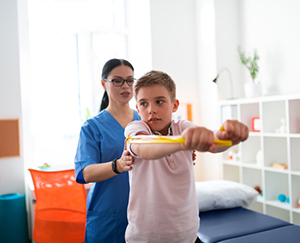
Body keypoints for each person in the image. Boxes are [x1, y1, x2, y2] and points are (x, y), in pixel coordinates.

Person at [124, 70, 249, 243]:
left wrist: (228, 137)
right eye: (144, 104)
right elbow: (145, 148)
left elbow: (212, 141)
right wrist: (183, 143)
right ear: (137, 108)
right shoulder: (135, 129)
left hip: (187, 236)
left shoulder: (183, 127)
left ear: (175, 105)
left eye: (159, 101)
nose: (151, 110)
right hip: (145, 238)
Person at [74, 58, 141, 243]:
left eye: (130, 80)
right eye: (117, 80)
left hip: (142, 213)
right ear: (104, 84)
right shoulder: (92, 127)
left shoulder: (143, 122)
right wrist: (117, 165)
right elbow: (85, 173)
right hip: (107, 214)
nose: (125, 86)